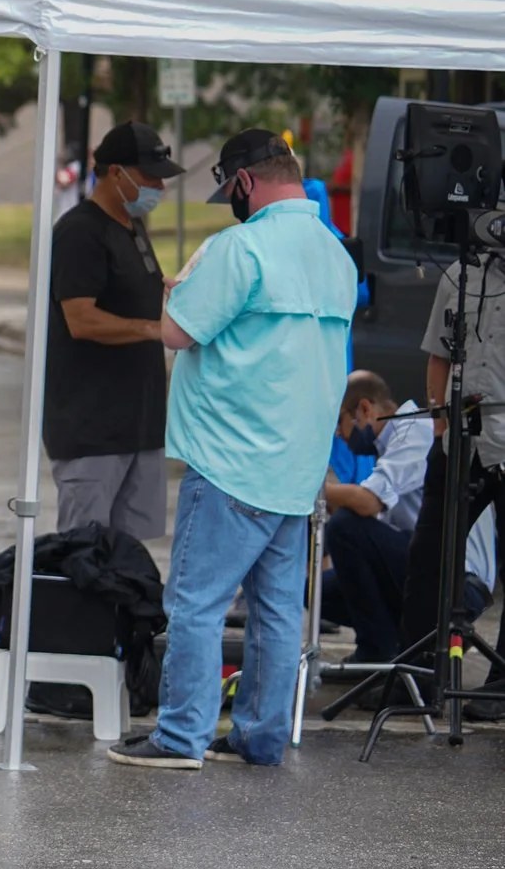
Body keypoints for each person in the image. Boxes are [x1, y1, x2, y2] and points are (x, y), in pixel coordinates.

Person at [110, 129, 356, 770]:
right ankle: (260, 737)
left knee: (196, 604)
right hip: (296, 470)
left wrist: (183, 289)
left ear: (245, 182)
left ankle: (180, 737)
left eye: (231, 193)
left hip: (230, 461)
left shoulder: (238, 248)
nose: (232, 205)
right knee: (277, 613)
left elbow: (175, 332)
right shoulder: (336, 256)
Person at [44, 122, 184, 538]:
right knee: (84, 554)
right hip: (92, 430)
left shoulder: (133, 227)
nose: (159, 186)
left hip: (141, 425)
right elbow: (81, 319)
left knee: (133, 558)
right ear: (115, 173)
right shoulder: (78, 233)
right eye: (149, 176)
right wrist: (151, 329)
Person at [404, 238, 505, 714]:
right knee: (430, 554)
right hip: (460, 443)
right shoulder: (460, 276)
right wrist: (440, 421)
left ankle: (499, 686)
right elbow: (438, 353)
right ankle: (420, 671)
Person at [318, 371, 436, 664]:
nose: (340, 437)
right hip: (420, 560)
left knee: (345, 527)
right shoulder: (390, 444)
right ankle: (393, 643)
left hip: (453, 576)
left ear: (365, 409)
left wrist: (313, 489)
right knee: (318, 592)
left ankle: (377, 650)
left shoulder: (414, 428)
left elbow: (369, 503)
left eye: (340, 424)